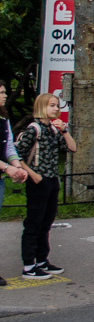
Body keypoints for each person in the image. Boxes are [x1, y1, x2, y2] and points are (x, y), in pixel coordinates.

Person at [15, 92, 75, 280]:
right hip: (38, 181)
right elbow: (17, 155)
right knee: (34, 223)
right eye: (51, 105)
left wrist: (65, 131)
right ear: (41, 107)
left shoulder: (54, 130)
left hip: (51, 180)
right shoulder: (34, 129)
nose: (56, 109)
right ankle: (29, 265)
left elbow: (72, 148)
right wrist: (32, 174)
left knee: (46, 222)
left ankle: (42, 260)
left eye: (57, 105)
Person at [0, 82, 29, 286]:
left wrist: (17, 166)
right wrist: (6, 168)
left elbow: (9, 146)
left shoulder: (3, 117)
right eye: (0, 92)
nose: (4, 95)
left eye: (4, 92)